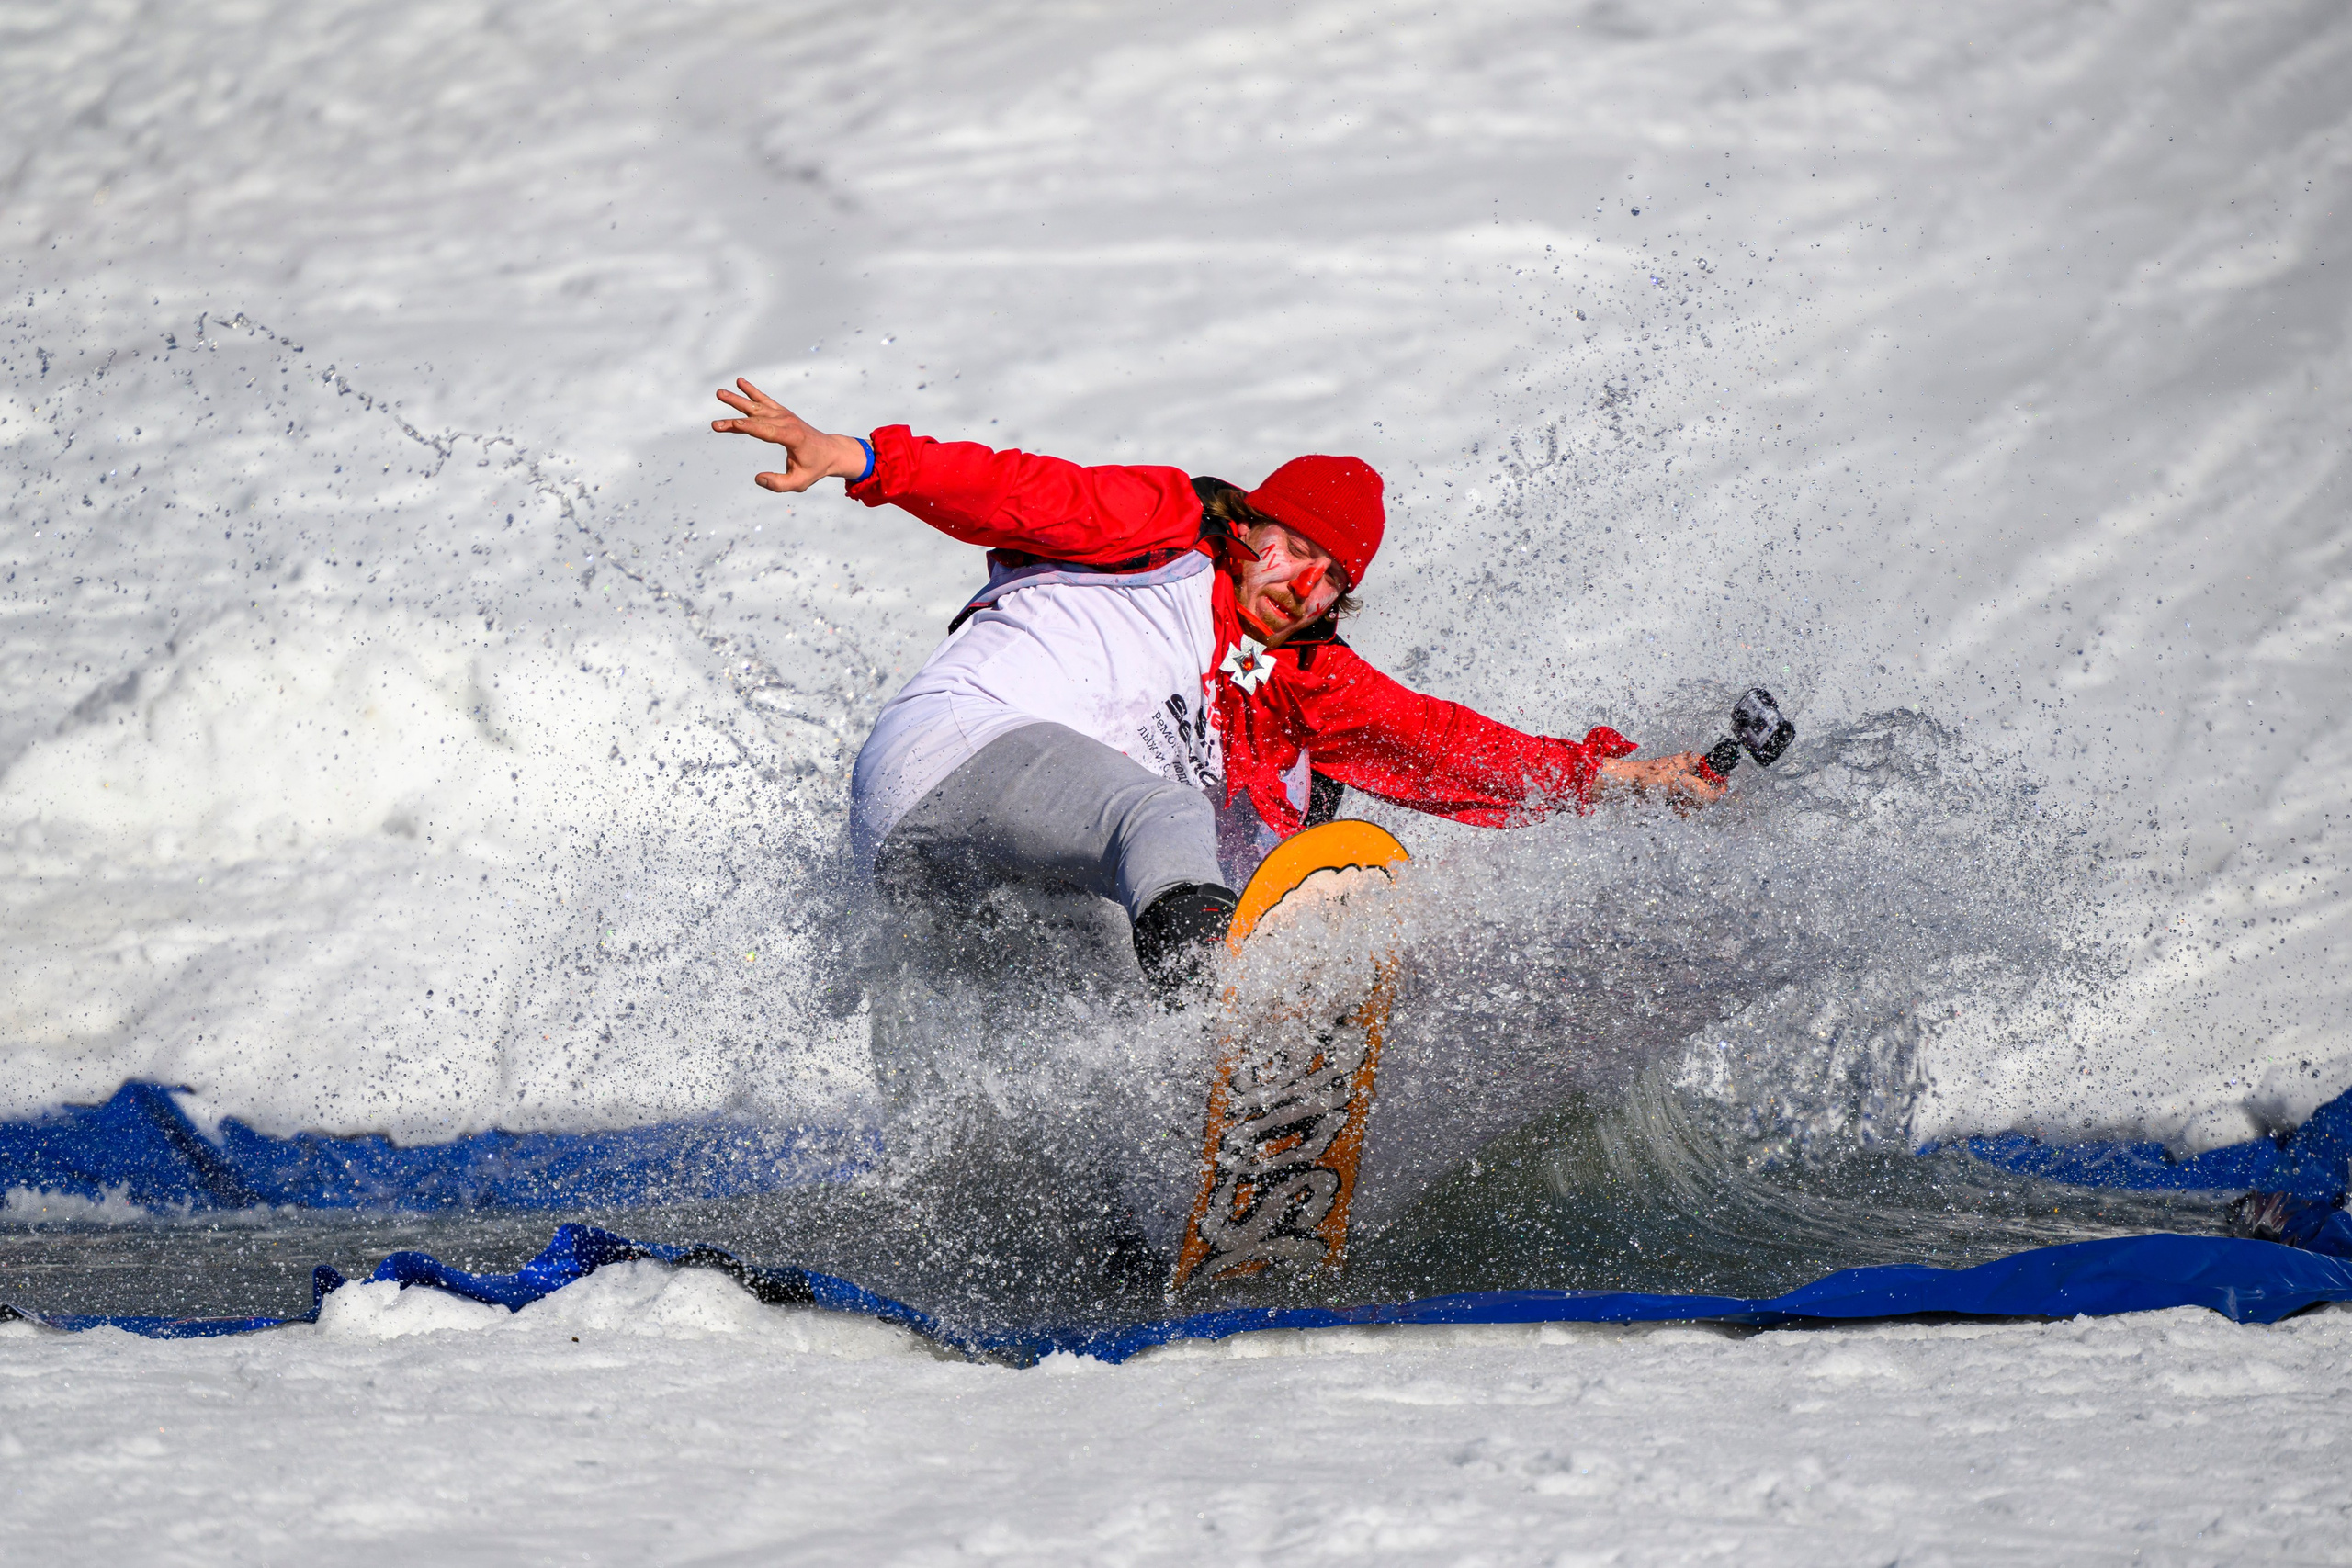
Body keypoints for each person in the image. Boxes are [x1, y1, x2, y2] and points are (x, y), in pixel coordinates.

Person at [712, 378, 1724, 992]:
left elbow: (1438, 741)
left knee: (1093, 1040)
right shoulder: (1164, 530)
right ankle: (1217, 1012)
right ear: (1256, 529)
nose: (1308, 585)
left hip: (986, 883)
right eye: (1298, 553)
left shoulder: (1295, 679)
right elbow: (1022, 487)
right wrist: (861, 458)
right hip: (954, 760)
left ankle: (1114, 1231)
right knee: (1158, 816)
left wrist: (1615, 781)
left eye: (1334, 580)